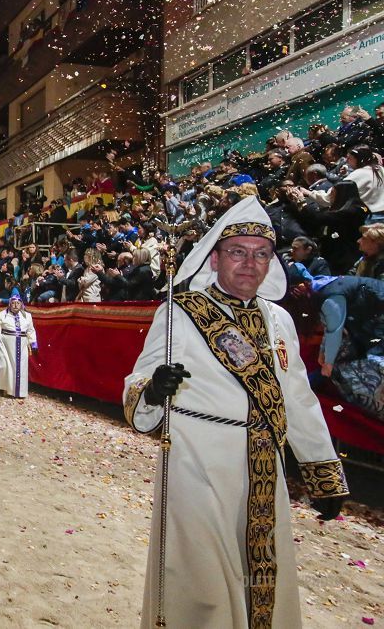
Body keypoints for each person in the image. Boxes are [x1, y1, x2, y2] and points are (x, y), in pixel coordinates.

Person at [123, 196, 348, 628]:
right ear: (215, 258)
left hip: (264, 466)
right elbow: (138, 383)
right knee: (202, 585)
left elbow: (296, 397)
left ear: (271, 263)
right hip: (197, 466)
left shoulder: (279, 320)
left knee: (263, 580)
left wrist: (324, 473)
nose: (250, 263)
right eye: (238, 253)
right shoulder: (180, 313)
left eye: (261, 254)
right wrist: (153, 390)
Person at [0, 287, 38, 398]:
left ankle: (19, 392)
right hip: (5, 345)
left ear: (21, 304)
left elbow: (30, 330)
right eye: (13, 303)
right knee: (4, 366)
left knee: (20, 368)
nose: (16, 305)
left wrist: (33, 342)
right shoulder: (1, 315)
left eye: (18, 303)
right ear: (10, 304)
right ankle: (3, 388)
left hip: (21, 345)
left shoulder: (27, 316)